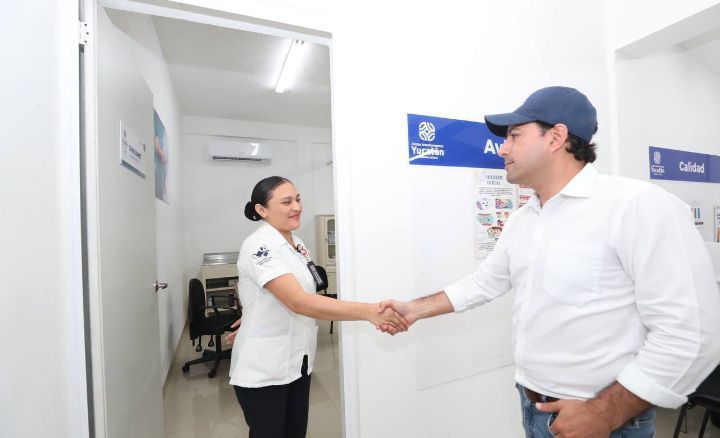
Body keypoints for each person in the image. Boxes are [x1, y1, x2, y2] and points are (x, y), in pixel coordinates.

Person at [380, 86, 720, 438]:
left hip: (603, 421)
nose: (503, 148)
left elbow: (692, 332)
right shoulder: (523, 219)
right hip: (533, 407)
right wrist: (414, 309)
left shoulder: (637, 205)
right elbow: (484, 282)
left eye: (514, 136)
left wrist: (604, 414)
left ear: (556, 137)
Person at [225, 176, 408, 438]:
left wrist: (254, 315)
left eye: (298, 199)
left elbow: (286, 292)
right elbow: (298, 301)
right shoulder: (259, 246)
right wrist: (368, 312)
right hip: (264, 369)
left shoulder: (297, 243)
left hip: (298, 363)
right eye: (286, 202)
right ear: (261, 210)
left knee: (295, 432)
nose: (297, 207)